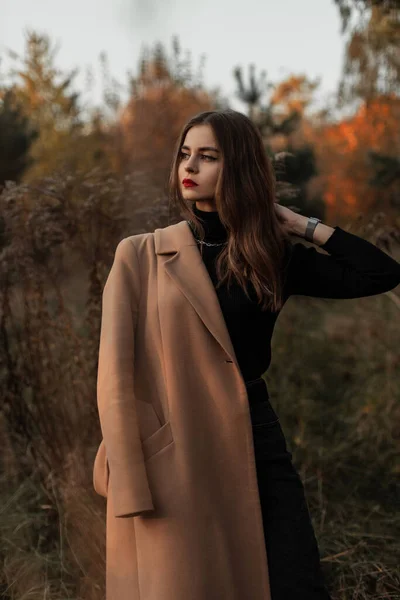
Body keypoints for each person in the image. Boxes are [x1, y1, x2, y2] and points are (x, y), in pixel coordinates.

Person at [93, 109, 400, 600]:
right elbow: (114, 376)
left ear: (236, 167)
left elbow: (381, 274)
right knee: (195, 582)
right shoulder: (139, 254)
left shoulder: (269, 255)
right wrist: (129, 476)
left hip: (254, 430)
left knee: (293, 578)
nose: (189, 166)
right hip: (176, 440)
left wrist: (301, 225)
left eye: (208, 157)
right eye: (185, 155)